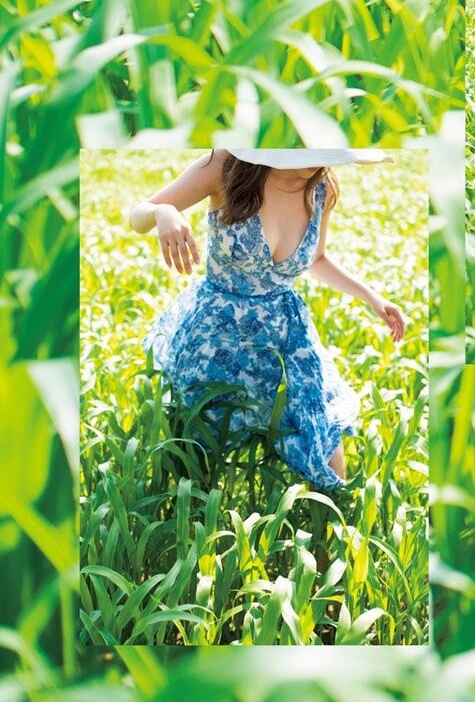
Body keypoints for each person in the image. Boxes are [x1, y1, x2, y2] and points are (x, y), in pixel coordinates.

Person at [129, 143, 405, 491]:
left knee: (321, 433)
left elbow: (317, 259)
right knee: (199, 458)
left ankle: (329, 523)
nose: (317, 163)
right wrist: (163, 211)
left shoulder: (323, 185)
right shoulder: (226, 165)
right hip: (216, 338)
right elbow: (138, 214)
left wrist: (373, 298)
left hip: (283, 335)